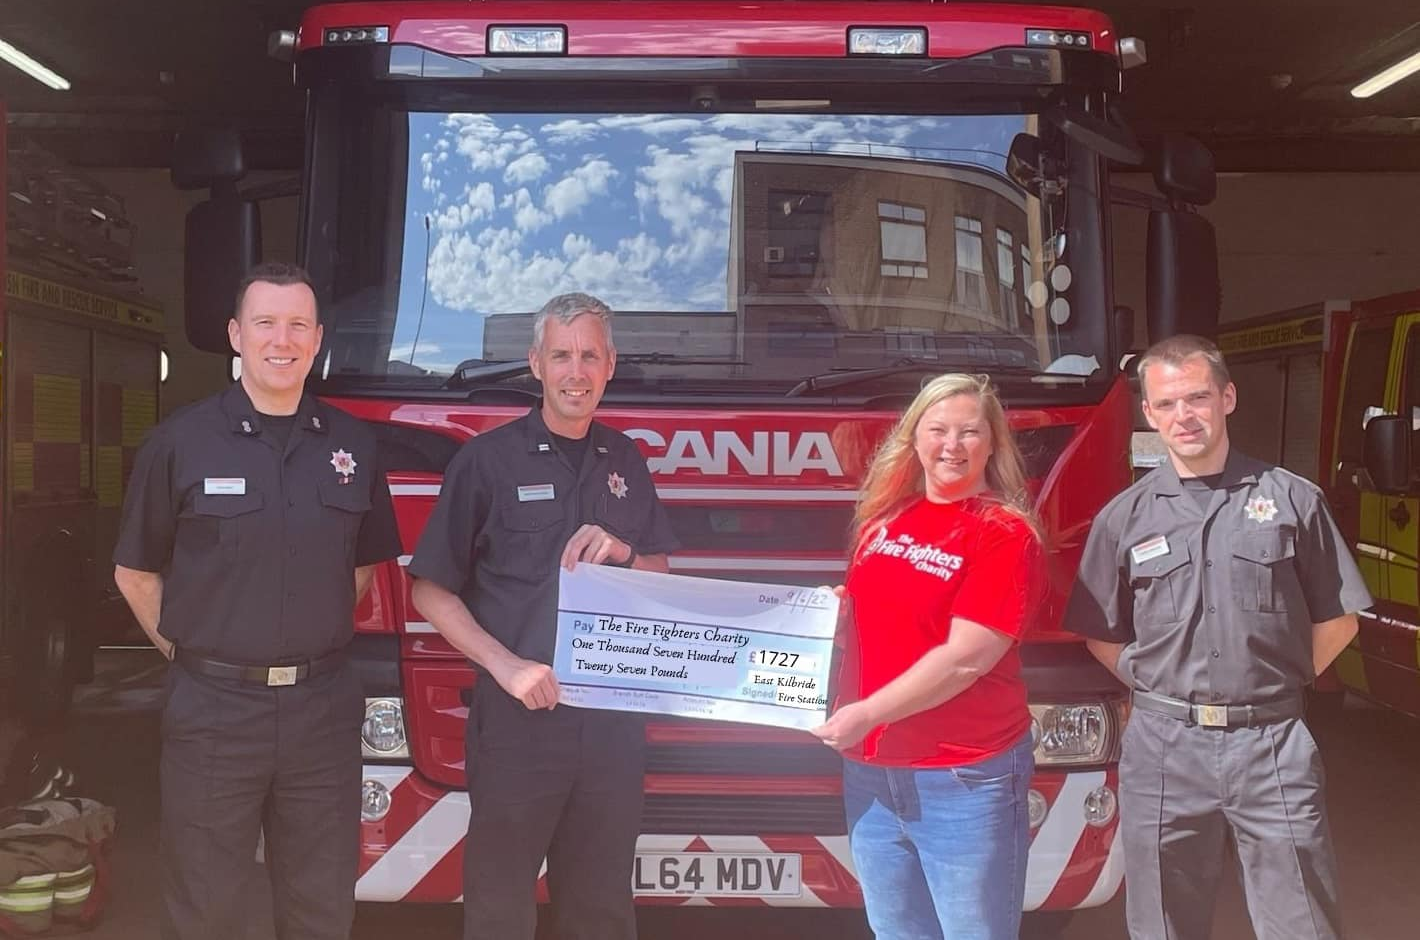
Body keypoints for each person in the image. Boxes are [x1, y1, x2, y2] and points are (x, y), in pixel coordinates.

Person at [112, 261, 402, 940]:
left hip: (321, 711)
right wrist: (198, 656)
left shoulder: (354, 447)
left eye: (298, 324)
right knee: (205, 900)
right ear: (235, 335)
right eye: (265, 323)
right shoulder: (179, 442)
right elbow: (134, 573)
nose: (282, 339)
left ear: (318, 337)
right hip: (213, 711)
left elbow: (360, 568)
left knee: (321, 901)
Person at [1067, 334, 1370, 940]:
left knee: (1301, 919)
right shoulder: (1123, 517)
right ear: (1149, 414)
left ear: (1227, 397)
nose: (1185, 415)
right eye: (1168, 403)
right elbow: (1098, 630)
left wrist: (1273, 682)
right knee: (1163, 922)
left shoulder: (1291, 499)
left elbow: (1340, 617)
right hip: (1163, 749)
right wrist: (1154, 683)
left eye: (1198, 397)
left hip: (1272, 744)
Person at [406, 292, 678, 940]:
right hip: (519, 726)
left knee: (603, 910)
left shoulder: (627, 463)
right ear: (536, 363)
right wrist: (508, 667)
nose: (575, 371)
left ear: (610, 365)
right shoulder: (486, 462)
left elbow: (662, 578)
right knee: (501, 910)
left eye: (589, 355)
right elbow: (429, 591)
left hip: (611, 730)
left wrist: (624, 552)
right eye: (561, 355)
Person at [811, 373, 1044, 940]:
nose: (951, 445)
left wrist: (869, 713)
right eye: (937, 430)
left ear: (993, 444)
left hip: (962, 774)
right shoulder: (885, 522)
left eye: (969, 432)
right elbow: (882, 623)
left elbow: (967, 657)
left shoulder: (1004, 535)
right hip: (873, 772)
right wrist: (832, 616)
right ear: (913, 439)